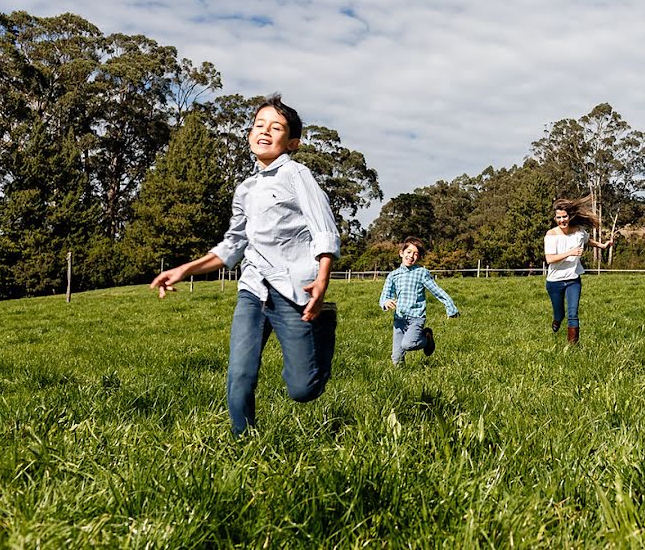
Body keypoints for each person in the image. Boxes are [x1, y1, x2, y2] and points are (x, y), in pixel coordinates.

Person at [150, 94, 340, 435]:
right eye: (258, 124)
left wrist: (322, 279)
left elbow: (324, 228)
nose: (264, 131)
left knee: (302, 390)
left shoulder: (298, 175)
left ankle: (322, 329)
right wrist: (184, 269)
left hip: (293, 290)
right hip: (253, 289)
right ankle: (245, 445)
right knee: (240, 374)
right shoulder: (246, 189)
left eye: (276, 127)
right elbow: (233, 246)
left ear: (292, 142)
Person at [379, 237, 459, 365]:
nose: (411, 256)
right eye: (409, 252)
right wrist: (386, 302)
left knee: (408, 345)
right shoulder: (393, 275)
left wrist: (450, 307)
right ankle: (399, 379)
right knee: (396, 356)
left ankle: (427, 339)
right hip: (399, 319)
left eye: (416, 254)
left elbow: (436, 290)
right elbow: (385, 295)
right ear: (401, 253)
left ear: (419, 257)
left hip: (416, 317)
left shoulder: (421, 272)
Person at [544, 196, 613, 344]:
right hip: (554, 282)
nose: (562, 220)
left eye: (564, 217)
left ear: (570, 216)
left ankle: (573, 348)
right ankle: (556, 321)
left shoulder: (579, 232)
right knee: (560, 314)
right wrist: (570, 252)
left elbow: (587, 240)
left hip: (573, 280)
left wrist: (602, 246)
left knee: (573, 314)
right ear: (555, 218)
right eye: (558, 217)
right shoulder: (551, 235)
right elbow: (549, 259)